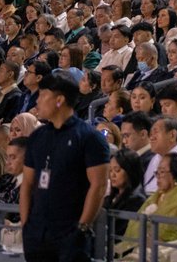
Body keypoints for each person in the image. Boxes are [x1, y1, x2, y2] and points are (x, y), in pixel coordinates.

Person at [20, 73, 110, 262]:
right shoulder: (37, 137)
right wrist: (26, 224)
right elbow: (27, 183)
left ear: (59, 100)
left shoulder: (89, 137)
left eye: (43, 95)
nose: (37, 101)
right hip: (36, 233)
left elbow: (99, 186)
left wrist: (82, 228)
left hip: (69, 233)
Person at [119, 153, 177, 253]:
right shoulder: (158, 194)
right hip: (141, 248)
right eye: (157, 172)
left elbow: (162, 236)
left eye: (162, 172)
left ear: (175, 174)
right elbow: (138, 220)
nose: (157, 177)